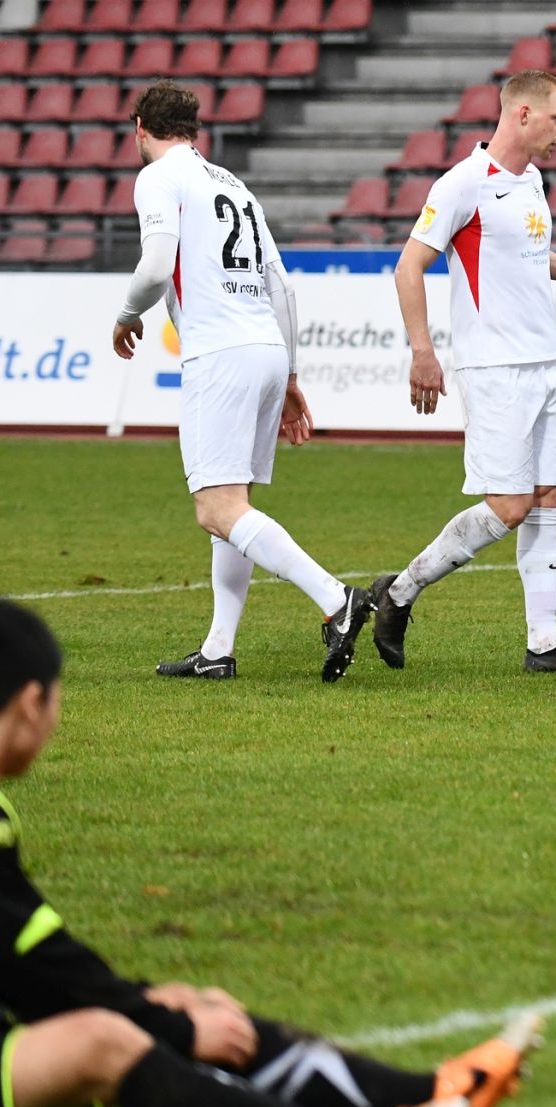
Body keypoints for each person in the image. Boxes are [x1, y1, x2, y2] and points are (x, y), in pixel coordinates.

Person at [0, 598, 543, 1107]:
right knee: (111, 1036)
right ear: (31, 702)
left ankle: (434, 1086)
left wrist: (175, 1014)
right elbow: (39, 974)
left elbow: (25, 969)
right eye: (57, 703)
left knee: (183, 1004)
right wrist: (176, 1033)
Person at [371, 70, 556, 675]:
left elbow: (529, 256)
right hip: (494, 367)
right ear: (521, 115)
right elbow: (408, 267)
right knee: (510, 505)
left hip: (544, 363)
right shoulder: (464, 183)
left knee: (546, 497)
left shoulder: (532, 181)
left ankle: (544, 645)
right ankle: (399, 593)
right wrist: (422, 351)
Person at [111, 79, 372, 684]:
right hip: (263, 347)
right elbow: (283, 286)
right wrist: (290, 374)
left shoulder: (158, 176)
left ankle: (337, 600)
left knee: (215, 508)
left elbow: (155, 264)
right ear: (195, 129)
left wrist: (127, 315)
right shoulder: (234, 185)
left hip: (219, 351)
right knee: (235, 505)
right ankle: (217, 650)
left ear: (140, 129)